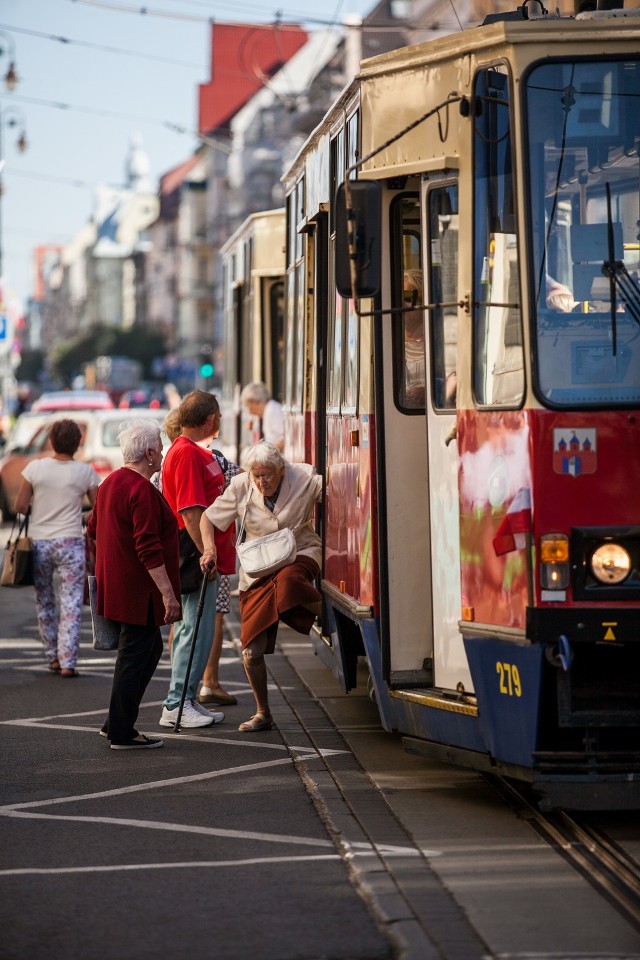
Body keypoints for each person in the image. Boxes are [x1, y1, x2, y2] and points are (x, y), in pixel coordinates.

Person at [200, 441, 322, 732]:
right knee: (251, 652)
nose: (260, 481)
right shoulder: (242, 485)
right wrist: (209, 550)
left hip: (300, 553)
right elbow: (208, 518)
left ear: (281, 469)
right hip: (258, 568)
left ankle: (322, 614)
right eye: (256, 475)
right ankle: (263, 713)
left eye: (266, 475)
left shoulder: (304, 477)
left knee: (291, 582)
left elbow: (343, 487)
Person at [86, 418, 181, 750]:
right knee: (135, 655)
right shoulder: (140, 489)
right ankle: (122, 732)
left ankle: (115, 722)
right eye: (162, 447)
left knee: (147, 649)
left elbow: (93, 529)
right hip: (139, 593)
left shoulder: (111, 482)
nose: (164, 453)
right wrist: (168, 593)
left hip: (120, 588)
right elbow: (148, 547)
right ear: (151, 453)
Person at [159, 390, 233, 729]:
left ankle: (185, 700)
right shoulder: (186, 453)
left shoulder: (189, 450)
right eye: (217, 417)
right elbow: (190, 511)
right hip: (194, 551)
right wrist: (208, 551)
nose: (219, 422)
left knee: (197, 628)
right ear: (208, 418)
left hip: (197, 550)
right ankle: (176, 704)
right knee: (192, 629)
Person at [14, 419, 100, 677]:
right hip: (71, 543)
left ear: (52, 441)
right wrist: (82, 517)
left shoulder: (35, 469)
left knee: (45, 600)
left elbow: (20, 506)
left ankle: (51, 656)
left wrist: (41, 507)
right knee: (71, 603)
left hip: (40, 543)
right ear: (77, 443)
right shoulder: (85, 472)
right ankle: (67, 662)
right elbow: (98, 509)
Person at [198, 441, 242, 709]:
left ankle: (189, 683)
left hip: (184, 553)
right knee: (215, 617)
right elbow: (250, 478)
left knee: (185, 621)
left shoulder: (169, 463)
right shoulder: (219, 462)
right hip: (217, 553)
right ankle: (209, 682)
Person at [240, 382, 284, 451]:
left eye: (248, 406)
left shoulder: (272, 410)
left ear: (254, 402)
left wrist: (268, 454)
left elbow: (283, 439)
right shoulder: (267, 410)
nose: (249, 411)